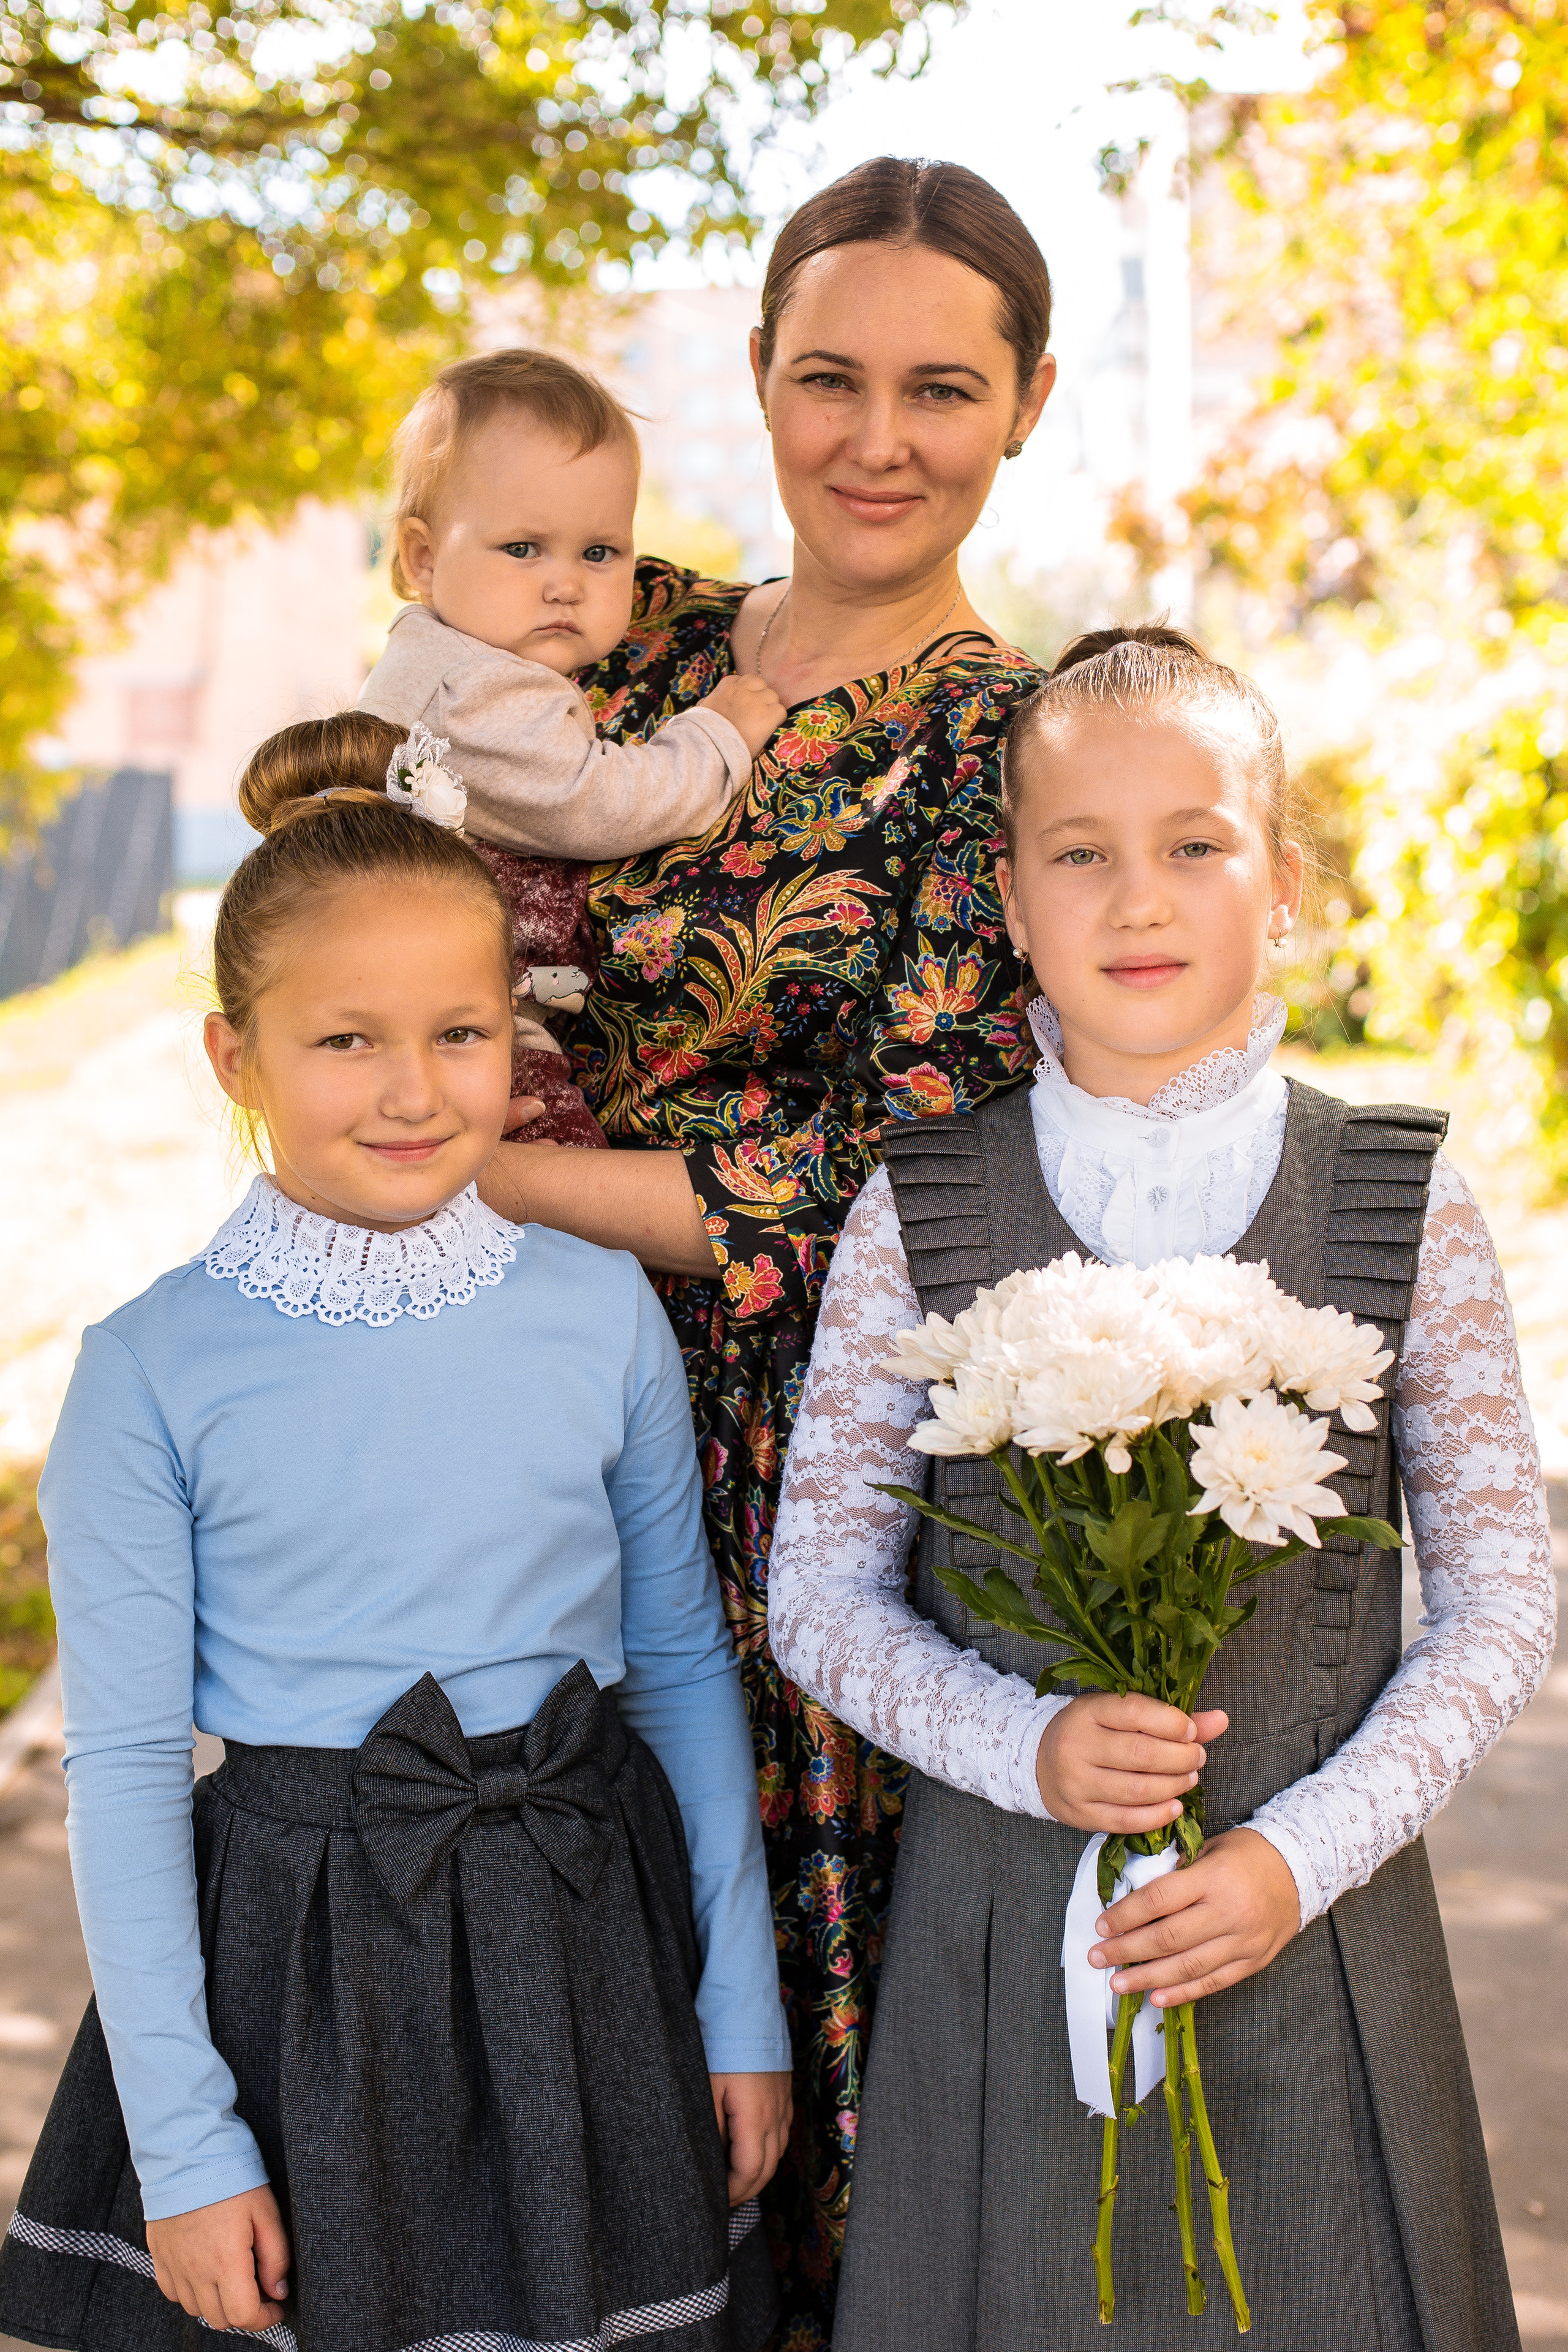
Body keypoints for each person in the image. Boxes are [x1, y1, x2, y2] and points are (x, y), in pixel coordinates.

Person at [769, 625, 1556, 2351]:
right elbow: (817, 1594)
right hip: (1003, 1937)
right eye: (1081, 854)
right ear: (1010, 900)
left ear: (1284, 886)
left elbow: (1505, 1601)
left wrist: (1297, 1853)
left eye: (1194, 844)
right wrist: (1024, 1745)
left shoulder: (1400, 1199)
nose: (1137, 899)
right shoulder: (919, 1207)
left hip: (1313, 1936)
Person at [0, 710, 791, 2352]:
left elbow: (678, 1668)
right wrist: (187, 2145)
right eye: (346, 1040)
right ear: (235, 1058)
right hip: (307, 1979)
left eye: (460, 1033)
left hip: (588, 1944)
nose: (415, 1091)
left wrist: (740, 2005)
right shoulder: (152, 1369)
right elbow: (126, 1770)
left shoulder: (600, 1314)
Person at [480, 157, 1055, 2346]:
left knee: (749, 2076)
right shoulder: (612, 635)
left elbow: (900, 1173)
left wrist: (489, 1172)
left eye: (942, 389)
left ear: (1027, 405)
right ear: (756, 375)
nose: (877, 440)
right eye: (830, 378)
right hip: (491, 1403)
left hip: (768, 1475)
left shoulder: (1008, 745)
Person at [359, 346, 785, 1147]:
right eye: (523, 548)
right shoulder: (476, 693)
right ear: (423, 558)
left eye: (599, 552)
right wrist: (717, 733)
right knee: (552, 1152)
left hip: (456, 996)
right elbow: (596, 802)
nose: (565, 583)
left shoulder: (448, 658)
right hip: (442, 1025)